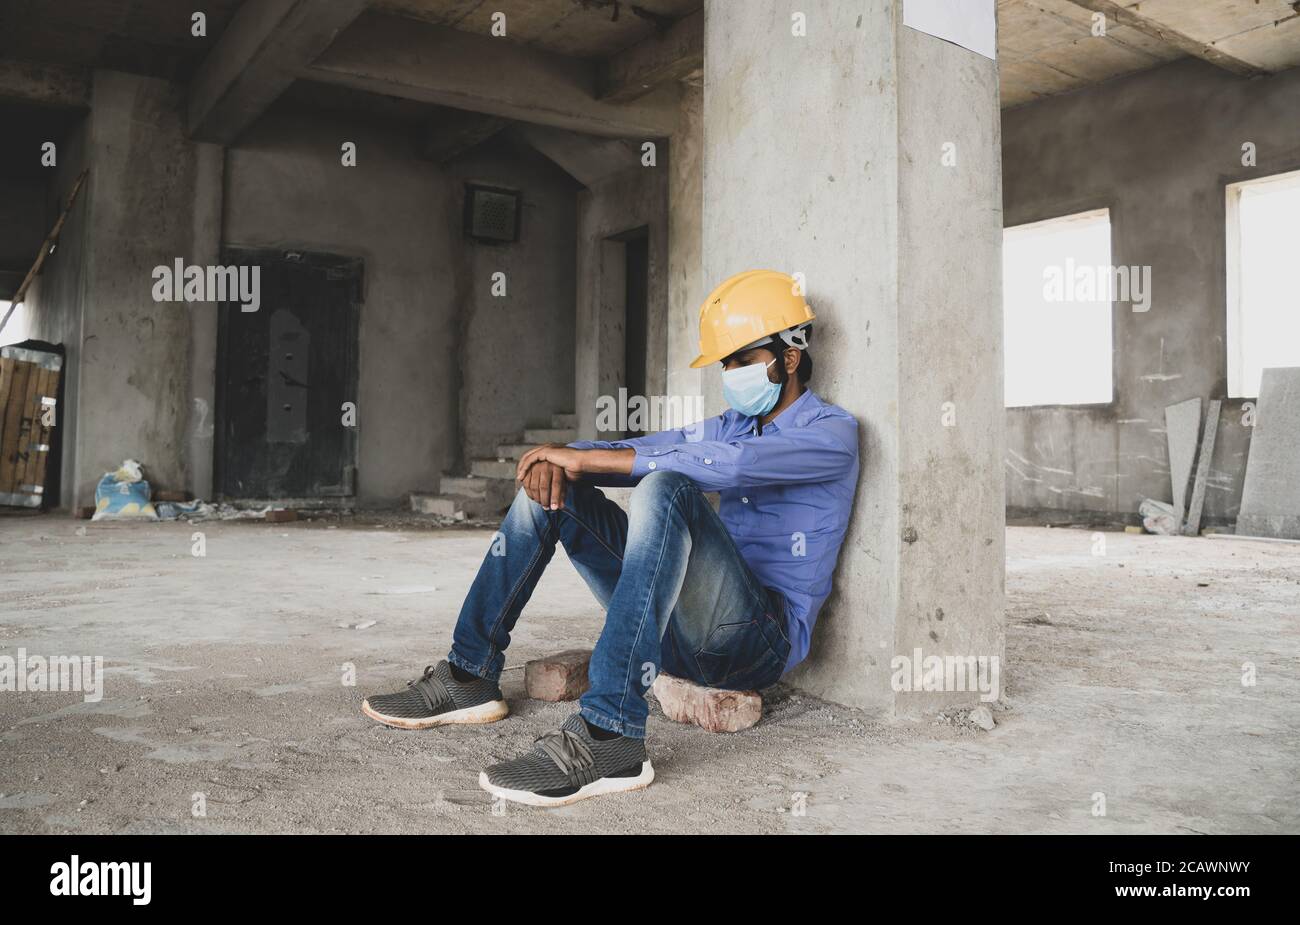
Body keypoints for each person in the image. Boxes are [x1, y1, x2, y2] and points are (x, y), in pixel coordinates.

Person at [363, 269, 859, 806]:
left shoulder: (831, 434)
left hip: (754, 644)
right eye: (726, 364)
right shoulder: (731, 424)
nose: (732, 374)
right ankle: (469, 674)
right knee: (554, 492)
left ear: (789, 357)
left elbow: (730, 468)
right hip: (676, 635)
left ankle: (610, 735)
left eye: (744, 360)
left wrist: (580, 458)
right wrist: (561, 458)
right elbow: (648, 445)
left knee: (667, 485)